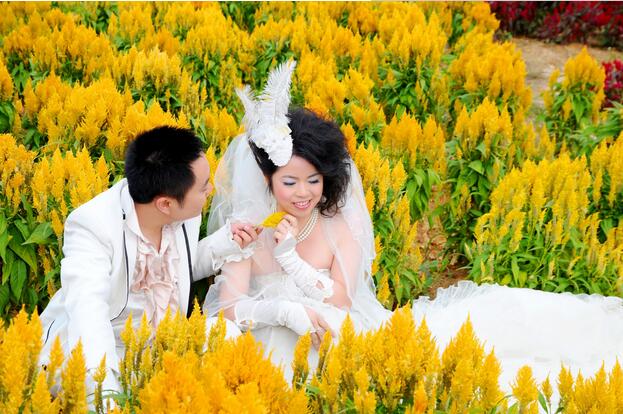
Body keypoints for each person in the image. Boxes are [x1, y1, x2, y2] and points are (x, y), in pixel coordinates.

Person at [204, 60, 623, 402]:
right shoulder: (248, 229)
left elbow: (342, 300)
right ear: (268, 180)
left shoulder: (337, 225)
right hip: (268, 339)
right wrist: (282, 311)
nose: (303, 193)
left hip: (333, 335)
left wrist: (291, 261)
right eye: (290, 182)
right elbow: (227, 307)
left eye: (314, 181)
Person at [39, 126, 259, 398]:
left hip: (160, 341)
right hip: (101, 349)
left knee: (225, 334)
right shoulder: (93, 225)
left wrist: (227, 242)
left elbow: (174, 269)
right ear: (165, 204)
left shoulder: (183, 211)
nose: (211, 190)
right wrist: (107, 397)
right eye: (204, 187)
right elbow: (89, 317)